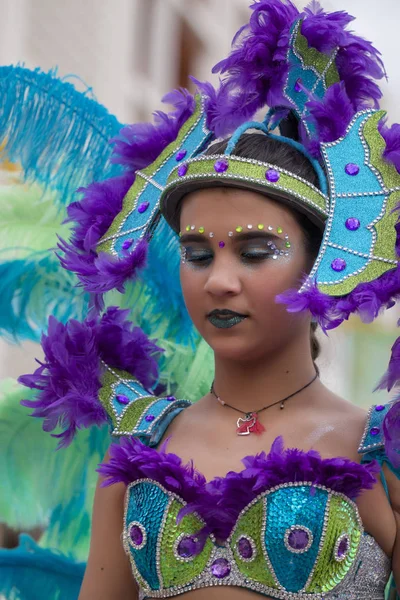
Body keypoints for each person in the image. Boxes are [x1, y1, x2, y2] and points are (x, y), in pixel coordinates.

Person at [18, 1, 400, 598]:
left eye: (254, 253)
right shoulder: (140, 444)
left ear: (323, 263)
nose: (219, 281)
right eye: (198, 254)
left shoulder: (380, 454)